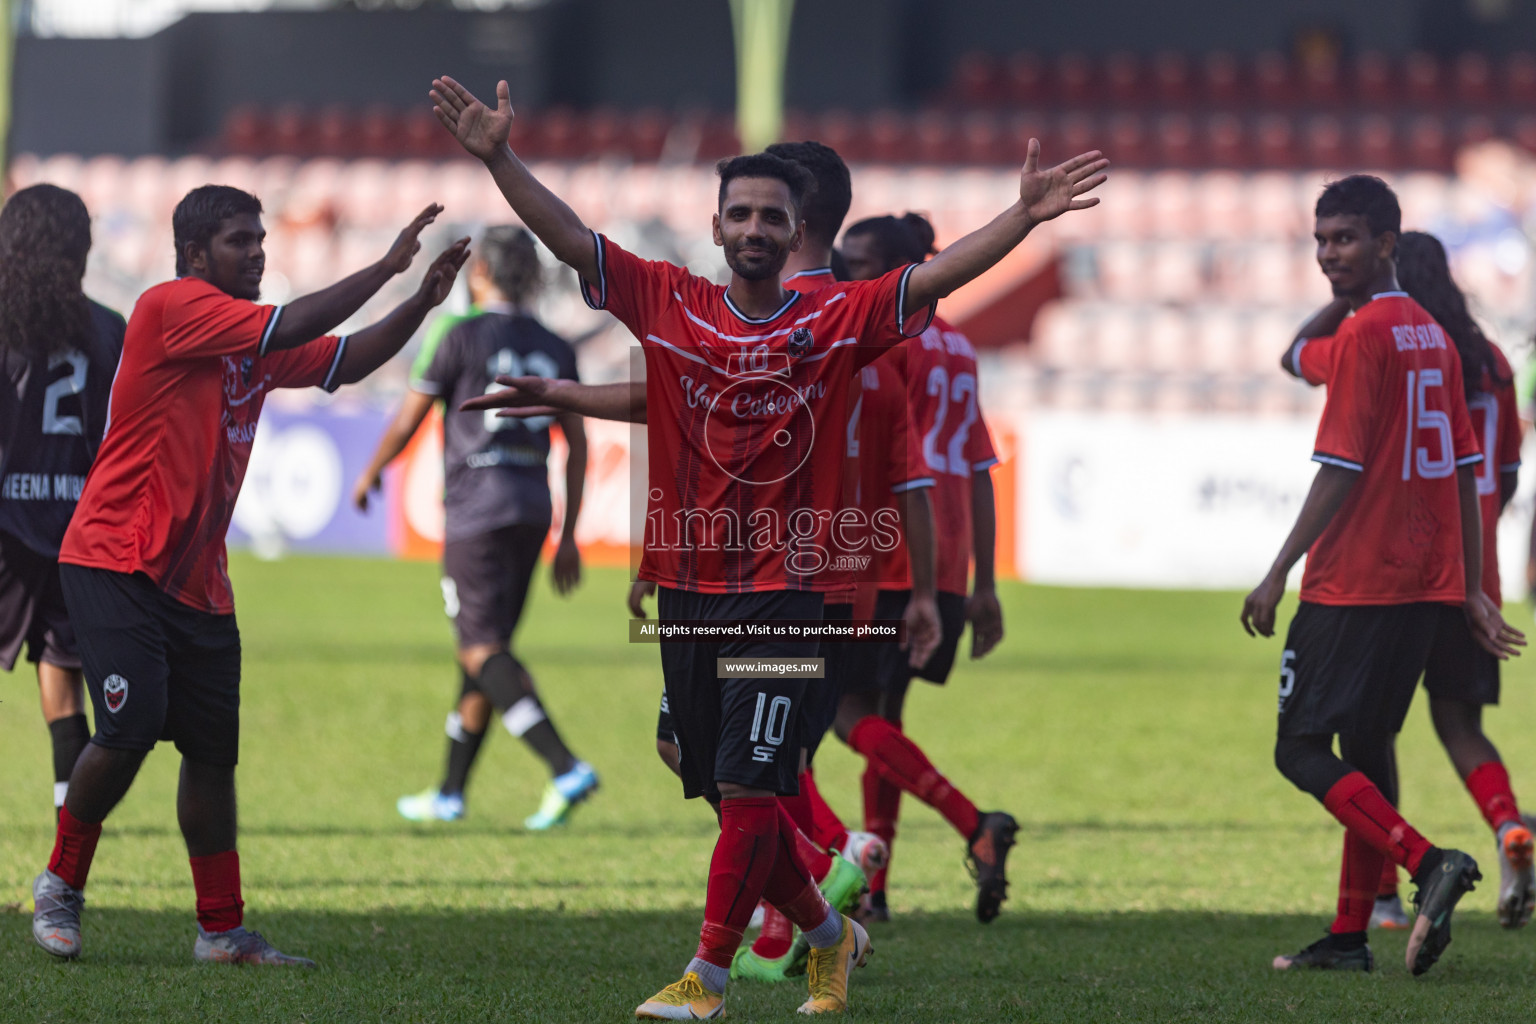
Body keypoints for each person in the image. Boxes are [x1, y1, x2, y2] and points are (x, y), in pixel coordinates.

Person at [434, 75, 1105, 1018]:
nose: (754, 226)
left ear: (795, 235)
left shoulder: (835, 324)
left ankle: (706, 977)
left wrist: (1023, 218)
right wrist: (500, 157)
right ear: (716, 229)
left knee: (750, 785)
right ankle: (833, 936)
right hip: (691, 593)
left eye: (771, 216)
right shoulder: (667, 303)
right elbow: (569, 236)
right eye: (739, 212)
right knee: (704, 772)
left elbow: (936, 280)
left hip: (793, 594)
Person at [31, 186, 469, 966]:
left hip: (199, 583)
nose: (258, 252)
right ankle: (60, 885)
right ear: (196, 255)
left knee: (210, 754)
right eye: (241, 241)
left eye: (261, 239)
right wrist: (388, 266)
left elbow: (344, 358)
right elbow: (300, 322)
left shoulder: (248, 343)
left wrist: (421, 302)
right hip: (113, 559)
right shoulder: (171, 307)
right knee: (131, 728)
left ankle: (221, 930)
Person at [1249, 174, 1523, 975]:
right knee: (1367, 748)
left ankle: (1427, 860)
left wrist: (1276, 570)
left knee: (1299, 749)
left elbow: (1338, 466)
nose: (1329, 255)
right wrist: (1468, 589)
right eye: (1321, 240)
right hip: (1423, 585)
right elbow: (1470, 467)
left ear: (1387, 243)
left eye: (1344, 239)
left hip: (1355, 579)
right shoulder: (1436, 338)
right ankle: (1346, 937)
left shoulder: (1369, 333)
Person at [353, 225, 596, 830]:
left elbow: (409, 418)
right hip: (532, 509)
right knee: (483, 656)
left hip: (476, 512)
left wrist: (372, 473)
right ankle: (450, 793)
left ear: (478, 272)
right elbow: (580, 443)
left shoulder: (455, 334)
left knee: (481, 649)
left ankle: (565, 766)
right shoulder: (557, 346)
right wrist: (568, 534)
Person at [829, 212, 1014, 926]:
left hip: (882, 544)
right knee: (883, 715)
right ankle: (874, 886)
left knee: (826, 711)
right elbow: (977, 467)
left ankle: (848, 864)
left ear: (905, 268)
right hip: (944, 558)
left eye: (862, 261)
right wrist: (984, 583)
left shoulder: (879, 335)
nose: (847, 270)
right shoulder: (959, 346)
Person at [1362, 231, 1532, 931]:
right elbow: (1511, 469)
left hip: (1408, 570)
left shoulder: (1407, 349)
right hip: (1479, 571)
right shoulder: (1490, 358)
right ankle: (1508, 827)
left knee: (1372, 733)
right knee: (1460, 722)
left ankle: (1378, 897)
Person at [0, 185, 123, 817]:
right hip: (78, 529)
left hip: (6, 526)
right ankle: (67, 828)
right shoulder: (107, 327)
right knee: (63, 673)